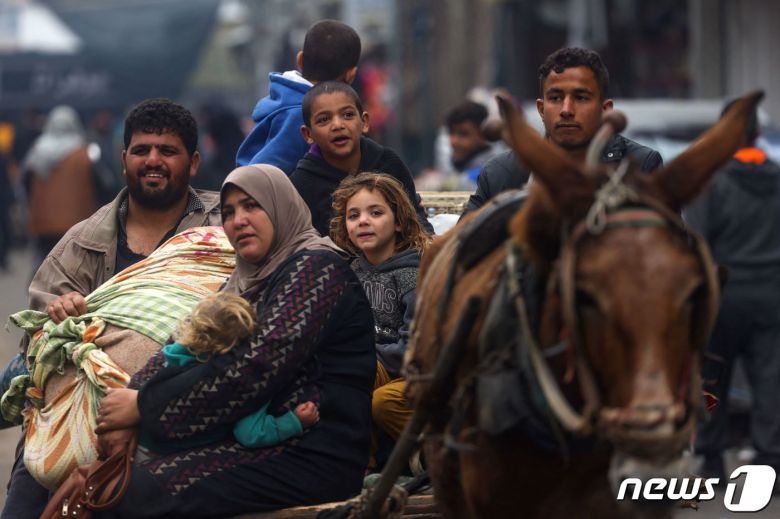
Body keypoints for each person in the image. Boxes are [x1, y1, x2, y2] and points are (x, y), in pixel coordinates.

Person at [87, 164, 375, 517]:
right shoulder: (245, 281)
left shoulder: (317, 269)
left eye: (252, 205)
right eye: (228, 212)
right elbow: (183, 343)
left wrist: (146, 406)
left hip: (313, 452)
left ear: (279, 206)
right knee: (103, 482)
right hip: (251, 443)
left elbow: (254, 367)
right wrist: (129, 409)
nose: (238, 220)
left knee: (140, 491)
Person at [1, 98, 223, 519]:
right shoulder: (83, 241)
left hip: (184, 410)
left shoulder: (221, 229)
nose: (153, 161)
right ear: (124, 160)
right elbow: (39, 344)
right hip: (84, 415)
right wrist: (60, 316)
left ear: (193, 162)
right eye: (142, 151)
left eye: (167, 151)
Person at [685, 99, 780, 485]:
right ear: (758, 134)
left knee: (712, 380)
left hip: (722, 297)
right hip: (773, 296)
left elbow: (699, 241)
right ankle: (771, 460)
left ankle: (711, 461)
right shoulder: (777, 178)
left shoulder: (712, 181)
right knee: (770, 379)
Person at [461, 47, 663, 217]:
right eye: (556, 98)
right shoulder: (499, 173)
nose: (566, 110)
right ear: (541, 109)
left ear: (606, 110)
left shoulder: (641, 166)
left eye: (581, 97)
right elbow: (462, 251)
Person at [330, 173, 430, 468]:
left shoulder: (413, 274)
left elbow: (416, 348)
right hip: (368, 367)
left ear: (399, 222)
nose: (363, 221)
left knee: (378, 395)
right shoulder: (348, 273)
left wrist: (362, 356)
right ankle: (357, 463)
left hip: (410, 373)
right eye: (353, 215)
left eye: (375, 213)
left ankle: (426, 455)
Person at [141, 292, 319, 456]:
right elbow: (249, 434)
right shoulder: (244, 381)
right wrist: (294, 423)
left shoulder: (175, 355)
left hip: (141, 435)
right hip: (166, 449)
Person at [290, 81, 432, 236]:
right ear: (308, 134)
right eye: (324, 119)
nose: (337, 125)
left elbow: (416, 221)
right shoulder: (302, 184)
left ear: (364, 122)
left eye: (348, 115)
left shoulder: (388, 163)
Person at [235, 19, 361, 175]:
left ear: (300, 60)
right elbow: (262, 176)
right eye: (323, 120)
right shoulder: (299, 114)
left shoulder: (288, 100)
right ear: (351, 75)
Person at [22, 105, 98, 272]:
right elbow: (100, 184)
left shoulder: (37, 151)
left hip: (43, 222)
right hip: (77, 222)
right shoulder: (83, 153)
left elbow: (25, 184)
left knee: (46, 265)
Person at [444, 100, 504, 190]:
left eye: (463, 134)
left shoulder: (481, 177)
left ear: (484, 135)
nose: (453, 141)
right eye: (451, 133)